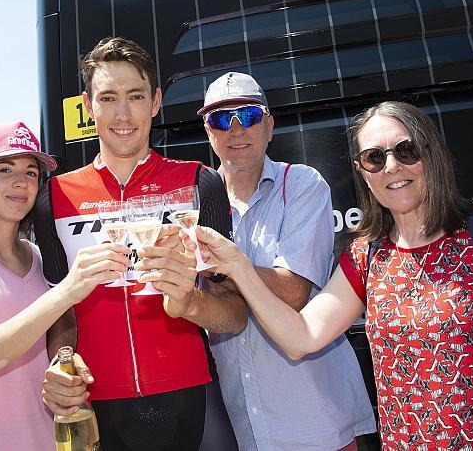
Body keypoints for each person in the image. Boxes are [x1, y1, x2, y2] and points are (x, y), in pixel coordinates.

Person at [143, 101, 473, 448]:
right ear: (363, 174)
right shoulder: (369, 256)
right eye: (374, 158)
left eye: (405, 150)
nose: (391, 166)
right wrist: (237, 265)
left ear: (432, 154)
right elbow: (301, 337)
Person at [139, 72, 376, 450]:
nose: (236, 130)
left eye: (248, 116)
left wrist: (224, 265)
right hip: (245, 425)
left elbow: (293, 292)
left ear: (269, 125)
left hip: (318, 420)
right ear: (208, 131)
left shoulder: (302, 184)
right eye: (221, 119)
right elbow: (217, 312)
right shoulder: (193, 204)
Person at [34, 36, 239, 451]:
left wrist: (189, 302)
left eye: (136, 96)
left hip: (182, 394)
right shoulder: (53, 198)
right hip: (93, 400)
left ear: (156, 100)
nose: (122, 113)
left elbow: (235, 314)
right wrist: (61, 357)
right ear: (88, 106)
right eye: (108, 98)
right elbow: (60, 311)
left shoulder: (201, 183)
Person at [0, 121, 131, 450]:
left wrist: (64, 366)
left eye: (31, 172)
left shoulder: (37, 257)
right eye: (5, 169)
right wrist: (67, 290)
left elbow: (52, 339)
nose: (21, 181)